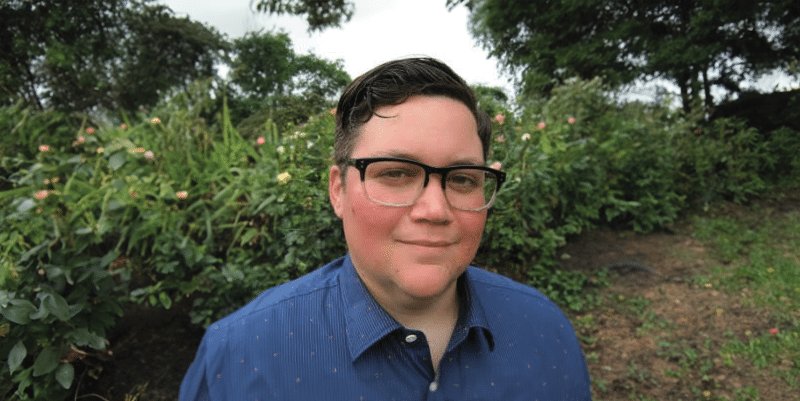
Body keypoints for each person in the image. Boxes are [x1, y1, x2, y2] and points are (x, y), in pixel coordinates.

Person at [179, 57, 592, 400]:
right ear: (338, 191)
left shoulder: (546, 331)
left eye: (463, 178)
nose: (435, 209)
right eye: (395, 173)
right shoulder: (237, 359)